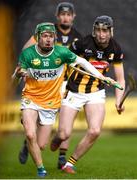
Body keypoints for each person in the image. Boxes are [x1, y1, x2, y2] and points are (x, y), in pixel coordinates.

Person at [14, 22, 115, 177]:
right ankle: (41, 169)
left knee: (40, 145)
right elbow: (14, 81)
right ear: (38, 37)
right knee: (30, 134)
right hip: (30, 97)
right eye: (45, 36)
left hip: (50, 102)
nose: (48, 39)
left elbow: (82, 62)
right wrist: (17, 75)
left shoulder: (61, 53)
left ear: (55, 38)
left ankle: (30, 141)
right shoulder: (27, 54)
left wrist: (101, 76)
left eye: (51, 36)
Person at [50, 15, 125, 174]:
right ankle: (58, 138)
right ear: (93, 31)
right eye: (98, 30)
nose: (101, 34)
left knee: (95, 131)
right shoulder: (82, 44)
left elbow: (121, 80)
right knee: (64, 134)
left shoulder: (115, 49)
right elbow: (62, 61)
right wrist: (61, 83)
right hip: (74, 91)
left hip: (96, 93)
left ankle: (69, 164)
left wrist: (119, 101)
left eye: (105, 30)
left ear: (111, 31)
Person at [19, 2, 82, 169]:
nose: (65, 17)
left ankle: (62, 156)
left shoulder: (78, 37)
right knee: (41, 117)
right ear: (57, 16)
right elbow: (27, 50)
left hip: (66, 82)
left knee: (67, 118)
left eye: (69, 14)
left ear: (73, 16)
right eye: (63, 14)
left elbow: (80, 63)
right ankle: (29, 140)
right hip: (45, 81)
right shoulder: (47, 31)